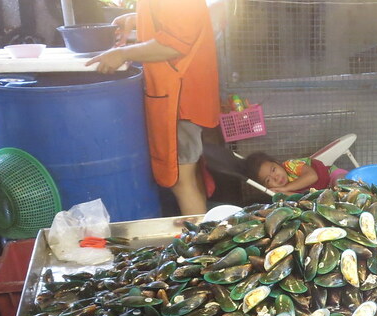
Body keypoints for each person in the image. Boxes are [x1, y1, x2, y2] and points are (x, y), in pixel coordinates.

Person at [87, 0, 220, 216]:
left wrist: (122, 54)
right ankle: (204, 235)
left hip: (180, 98)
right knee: (190, 176)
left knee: (181, 182)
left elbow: (175, 43)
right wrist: (136, 19)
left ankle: (201, 246)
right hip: (182, 94)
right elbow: (173, 23)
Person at [244, 152, 346, 194]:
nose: (276, 177)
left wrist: (286, 188)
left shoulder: (290, 165)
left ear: (277, 164)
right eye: (268, 180)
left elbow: (312, 176)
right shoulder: (278, 192)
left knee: (340, 183)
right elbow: (299, 199)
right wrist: (283, 192)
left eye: (274, 170)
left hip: (330, 175)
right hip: (325, 194)